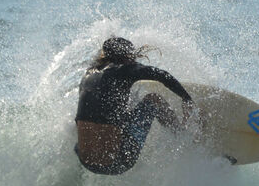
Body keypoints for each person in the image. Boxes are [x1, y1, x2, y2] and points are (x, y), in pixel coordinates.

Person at [73, 36, 193, 175]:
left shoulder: (88, 74)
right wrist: (186, 99)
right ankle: (182, 136)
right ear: (127, 55)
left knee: (103, 112)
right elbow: (163, 75)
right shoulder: (125, 69)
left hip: (85, 160)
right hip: (118, 162)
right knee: (153, 100)